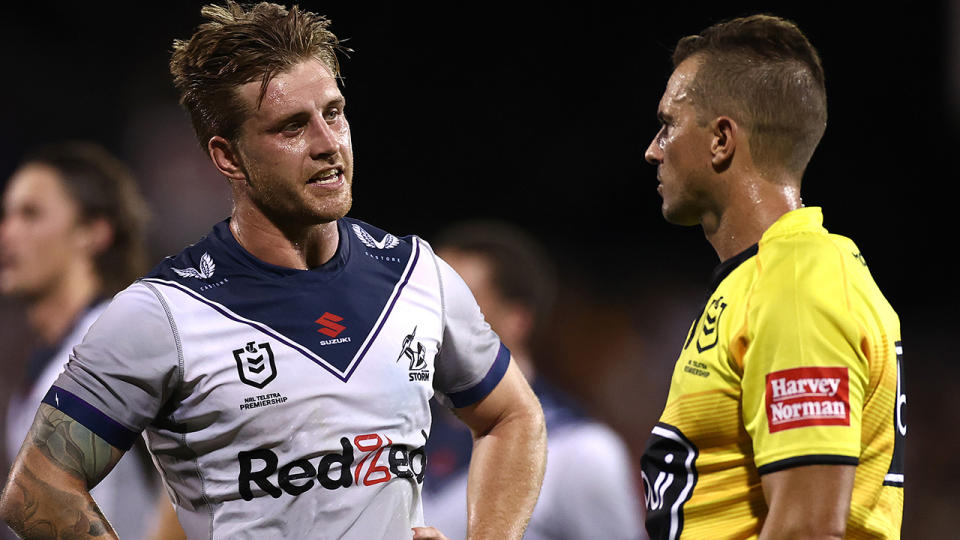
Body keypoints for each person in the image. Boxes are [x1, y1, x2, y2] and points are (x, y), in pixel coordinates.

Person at [0, 3, 546, 540]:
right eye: (291, 127)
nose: (327, 144)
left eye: (333, 113)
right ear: (228, 157)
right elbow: (37, 490)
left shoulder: (416, 274)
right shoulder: (162, 314)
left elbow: (513, 417)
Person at [639, 14, 903, 539]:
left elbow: (806, 528)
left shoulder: (797, 283)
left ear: (721, 140)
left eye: (668, 124)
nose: (653, 149)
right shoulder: (761, 279)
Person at [0, 142, 180, 539]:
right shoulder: (47, 357)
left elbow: (202, 470)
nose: (7, 232)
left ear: (93, 232)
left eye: (30, 214)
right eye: (7, 214)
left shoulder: (125, 340)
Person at [421, 221, 646, 540]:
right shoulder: (398, 434)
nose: (431, 317)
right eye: (425, 300)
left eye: (456, 303)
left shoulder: (581, 451)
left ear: (517, 320)